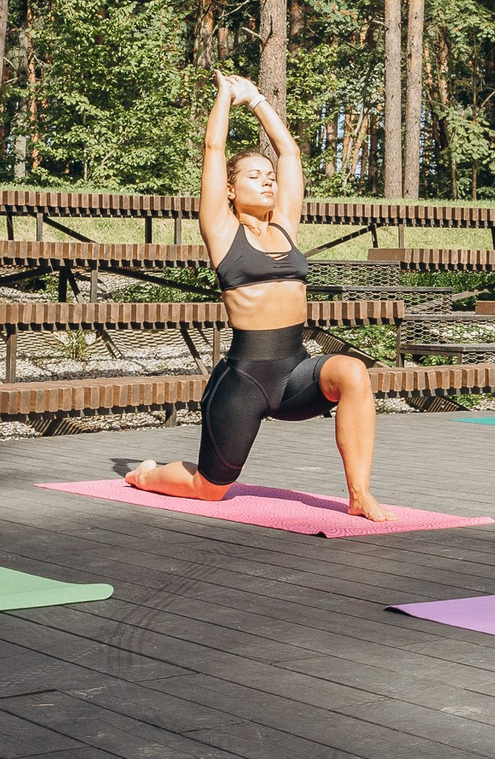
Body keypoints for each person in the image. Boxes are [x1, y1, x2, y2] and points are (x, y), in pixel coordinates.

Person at [123, 76, 389, 522]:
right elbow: (213, 152)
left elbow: (290, 153)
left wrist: (258, 100)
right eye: (254, 176)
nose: (268, 183)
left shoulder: (285, 224)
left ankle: (359, 493)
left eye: (269, 179)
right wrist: (226, 97)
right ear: (230, 189)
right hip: (244, 381)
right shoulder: (222, 230)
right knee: (209, 489)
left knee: (353, 371)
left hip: (295, 373)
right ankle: (146, 475)